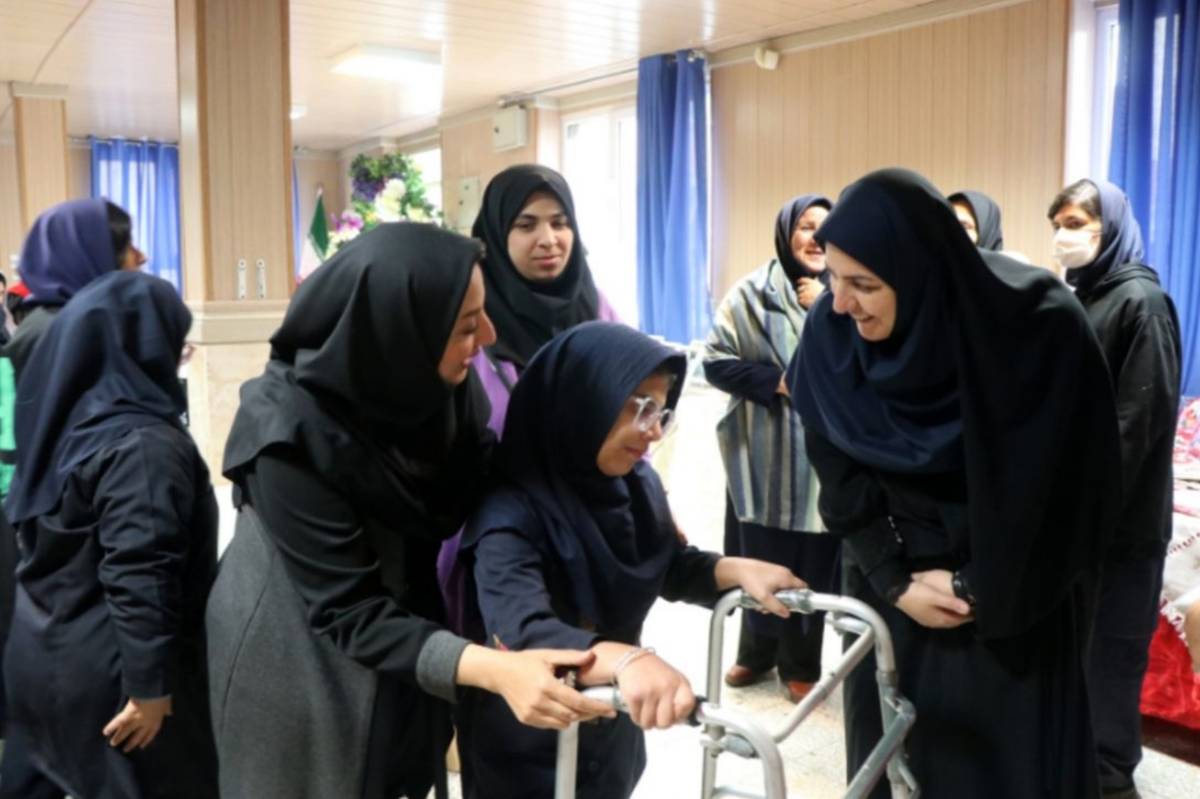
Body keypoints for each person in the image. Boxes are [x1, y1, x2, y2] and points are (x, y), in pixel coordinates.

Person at [205, 222, 614, 799]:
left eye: (484, 313)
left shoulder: (437, 388)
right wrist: (496, 671)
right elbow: (349, 611)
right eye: (467, 325)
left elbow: (495, 477)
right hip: (298, 654)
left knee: (399, 764)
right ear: (397, 330)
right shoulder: (287, 436)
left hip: (405, 626)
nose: (489, 336)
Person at [788, 168, 1122, 798]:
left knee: (1003, 771)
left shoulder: (1035, 325)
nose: (840, 302)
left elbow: (1075, 485)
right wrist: (894, 580)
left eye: (864, 284)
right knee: (897, 758)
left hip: (1013, 597)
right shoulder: (833, 335)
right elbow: (837, 473)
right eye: (833, 277)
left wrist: (979, 587)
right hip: (892, 589)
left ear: (920, 272)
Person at [457, 321, 806, 799]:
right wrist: (628, 659)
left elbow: (669, 565)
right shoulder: (509, 512)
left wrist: (736, 570)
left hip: (614, 722)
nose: (654, 431)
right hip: (529, 744)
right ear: (581, 402)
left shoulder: (634, 484)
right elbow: (524, 630)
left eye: (660, 410)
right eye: (639, 407)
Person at [2, 270, 218, 798]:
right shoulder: (143, 443)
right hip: (117, 678)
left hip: (43, 649)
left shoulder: (65, 424)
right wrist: (149, 687)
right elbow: (140, 568)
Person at [1, 197, 146, 799]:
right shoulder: (59, 332)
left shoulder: (59, 320)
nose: (140, 257)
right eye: (125, 246)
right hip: (51, 538)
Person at [437, 163, 619, 632]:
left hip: (589, 523)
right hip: (498, 531)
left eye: (560, 223)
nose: (548, 239)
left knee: (596, 651)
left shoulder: (595, 308)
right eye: (526, 225)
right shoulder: (472, 318)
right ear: (496, 234)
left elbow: (630, 409)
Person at [1049, 178, 1181, 799]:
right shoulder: (1086, 297)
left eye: (1077, 223)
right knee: (1078, 650)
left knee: (1111, 655)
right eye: (1058, 223)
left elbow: (1138, 423)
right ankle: (1079, 762)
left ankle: (1111, 779)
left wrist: (1090, 506)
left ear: (1113, 228)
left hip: (1121, 524)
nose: (1063, 236)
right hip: (1080, 515)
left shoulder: (1142, 302)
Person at [704, 194, 841, 702]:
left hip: (823, 458)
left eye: (825, 228)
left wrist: (823, 306)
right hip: (760, 455)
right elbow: (714, 361)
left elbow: (865, 357)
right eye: (806, 226)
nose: (816, 238)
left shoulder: (845, 291)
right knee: (757, 552)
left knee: (812, 558)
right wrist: (779, 382)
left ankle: (801, 663)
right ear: (786, 234)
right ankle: (756, 653)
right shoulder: (750, 293)